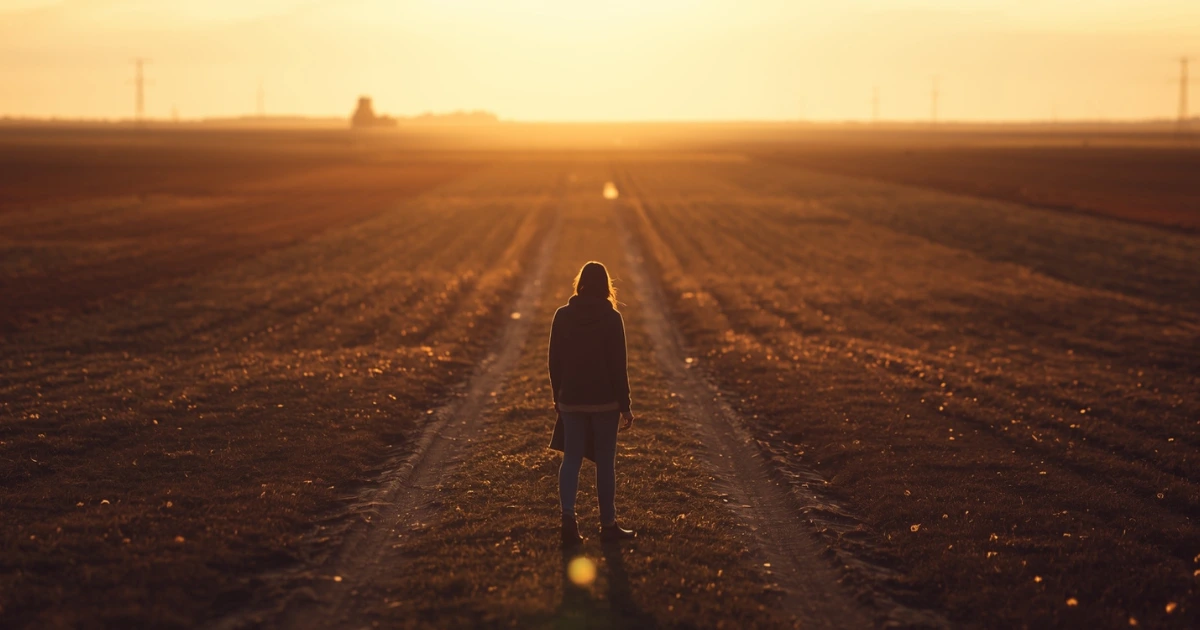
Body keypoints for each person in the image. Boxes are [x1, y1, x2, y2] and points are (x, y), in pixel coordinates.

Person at [548, 261, 637, 547]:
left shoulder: (562, 316)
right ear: (606, 287)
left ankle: (568, 519)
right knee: (605, 464)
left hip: (571, 399)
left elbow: (554, 362)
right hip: (605, 402)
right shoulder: (612, 318)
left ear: (580, 284)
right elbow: (618, 366)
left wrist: (557, 397)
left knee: (571, 459)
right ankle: (608, 525)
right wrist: (625, 405)